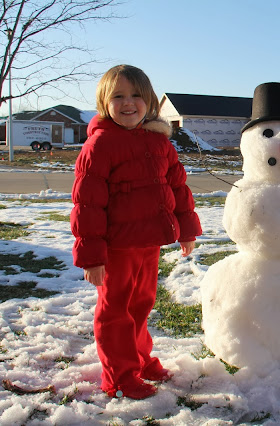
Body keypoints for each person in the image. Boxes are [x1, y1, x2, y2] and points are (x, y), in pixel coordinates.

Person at [70, 64, 202, 400]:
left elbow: (178, 187)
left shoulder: (159, 142)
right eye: (118, 96)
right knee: (116, 311)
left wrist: (187, 230)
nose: (128, 103)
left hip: (149, 243)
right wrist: (92, 257)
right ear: (104, 102)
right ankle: (120, 376)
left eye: (136, 96)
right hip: (116, 248)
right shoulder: (100, 145)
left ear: (150, 102)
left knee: (140, 306)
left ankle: (140, 361)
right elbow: (87, 205)